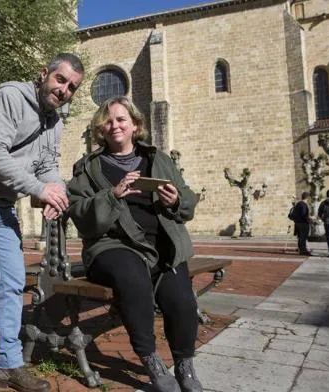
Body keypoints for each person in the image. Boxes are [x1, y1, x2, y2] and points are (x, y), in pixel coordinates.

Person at [0, 53, 84, 392]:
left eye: (72, 87)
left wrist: (57, 194)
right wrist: (39, 189)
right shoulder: (9, 96)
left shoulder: (56, 122)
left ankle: (7, 365)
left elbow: (49, 165)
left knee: (12, 280)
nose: (64, 90)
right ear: (44, 75)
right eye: (60, 80)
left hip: (3, 205)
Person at [67, 96, 202, 392]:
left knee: (181, 297)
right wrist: (112, 195)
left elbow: (189, 200)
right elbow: (79, 212)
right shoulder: (89, 168)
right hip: (112, 246)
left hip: (161, 244)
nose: (114, 125)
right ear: (101, 129)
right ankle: (151, 359)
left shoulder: (159, 160)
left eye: (121, 119)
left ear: (135, 125)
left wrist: (176, 200)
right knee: (133, 277)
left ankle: (185, 365)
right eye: (108, 120)